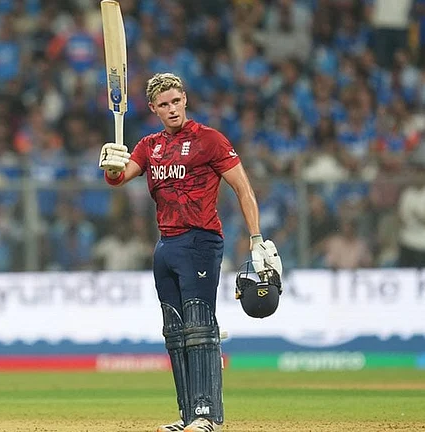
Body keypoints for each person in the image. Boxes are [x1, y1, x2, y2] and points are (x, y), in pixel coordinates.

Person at [98, 73, 282, 432]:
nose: (171, 109)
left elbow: (242, 188)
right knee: (175, 330)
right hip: (166, 244)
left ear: (185, 100)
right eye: (164, 104)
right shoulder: (148, 146)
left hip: (200, 240)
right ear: (153, 108)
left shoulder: (209, 140)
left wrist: (256, 237)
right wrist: (110, 166)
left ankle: (207, 414)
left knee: (200, 326)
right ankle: (187, 415)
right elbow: (120, 178)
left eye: (176, 101)